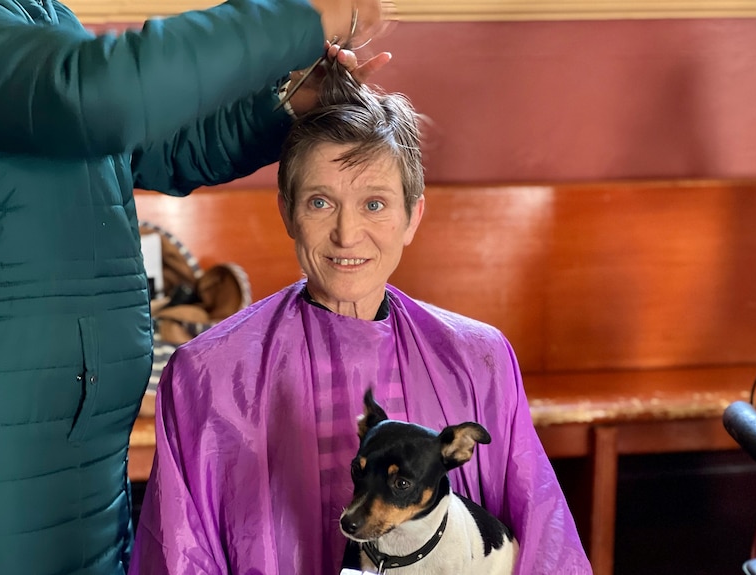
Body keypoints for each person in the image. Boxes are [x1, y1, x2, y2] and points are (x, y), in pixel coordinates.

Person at [0, 0, 390, 574]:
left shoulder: (42, 18)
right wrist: (303, 15)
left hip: (76, 446)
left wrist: (289, 103)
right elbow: (95, 95)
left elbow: (156, 148)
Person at [129, 63, 593, 574]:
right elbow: (179, 557)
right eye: (320, 202)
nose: (348, 235)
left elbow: (543, 543)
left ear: (413, 215)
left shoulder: (479, 359)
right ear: (286, 212)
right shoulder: (206, 376)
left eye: (375, 204)